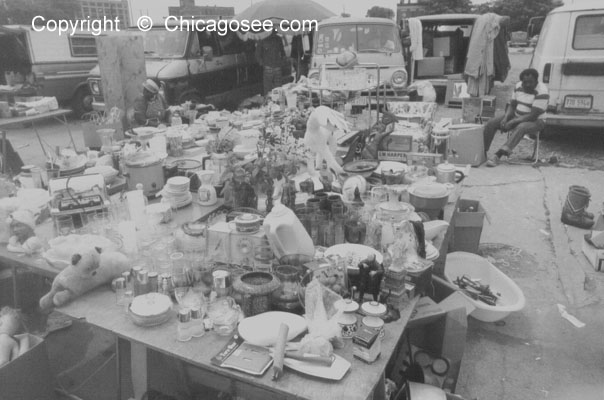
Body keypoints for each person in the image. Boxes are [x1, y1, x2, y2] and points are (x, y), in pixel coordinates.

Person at [483, 68, 548, 167]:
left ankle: (498, 155)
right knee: (491, 123)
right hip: (517, 116)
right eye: (525, 82)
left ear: (536, 81)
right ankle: (482, 151)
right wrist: (506, 118)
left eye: (531, 82)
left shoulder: (542, 91)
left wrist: (513, 122)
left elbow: (532, 115)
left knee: (521, 127)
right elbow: (512, 105)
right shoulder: (518, 86)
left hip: (536, 121)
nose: (527, 85)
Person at [255, 30, 286, 96]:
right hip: (276, 67)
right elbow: (283, 54)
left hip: (269, 67)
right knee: (277, 89)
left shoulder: (262, 39)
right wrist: (281, 63)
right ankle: (276, 102)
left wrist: (263, 64)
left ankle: (269, 103)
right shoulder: (278, 39)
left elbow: (257, 55)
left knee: (268, 89)